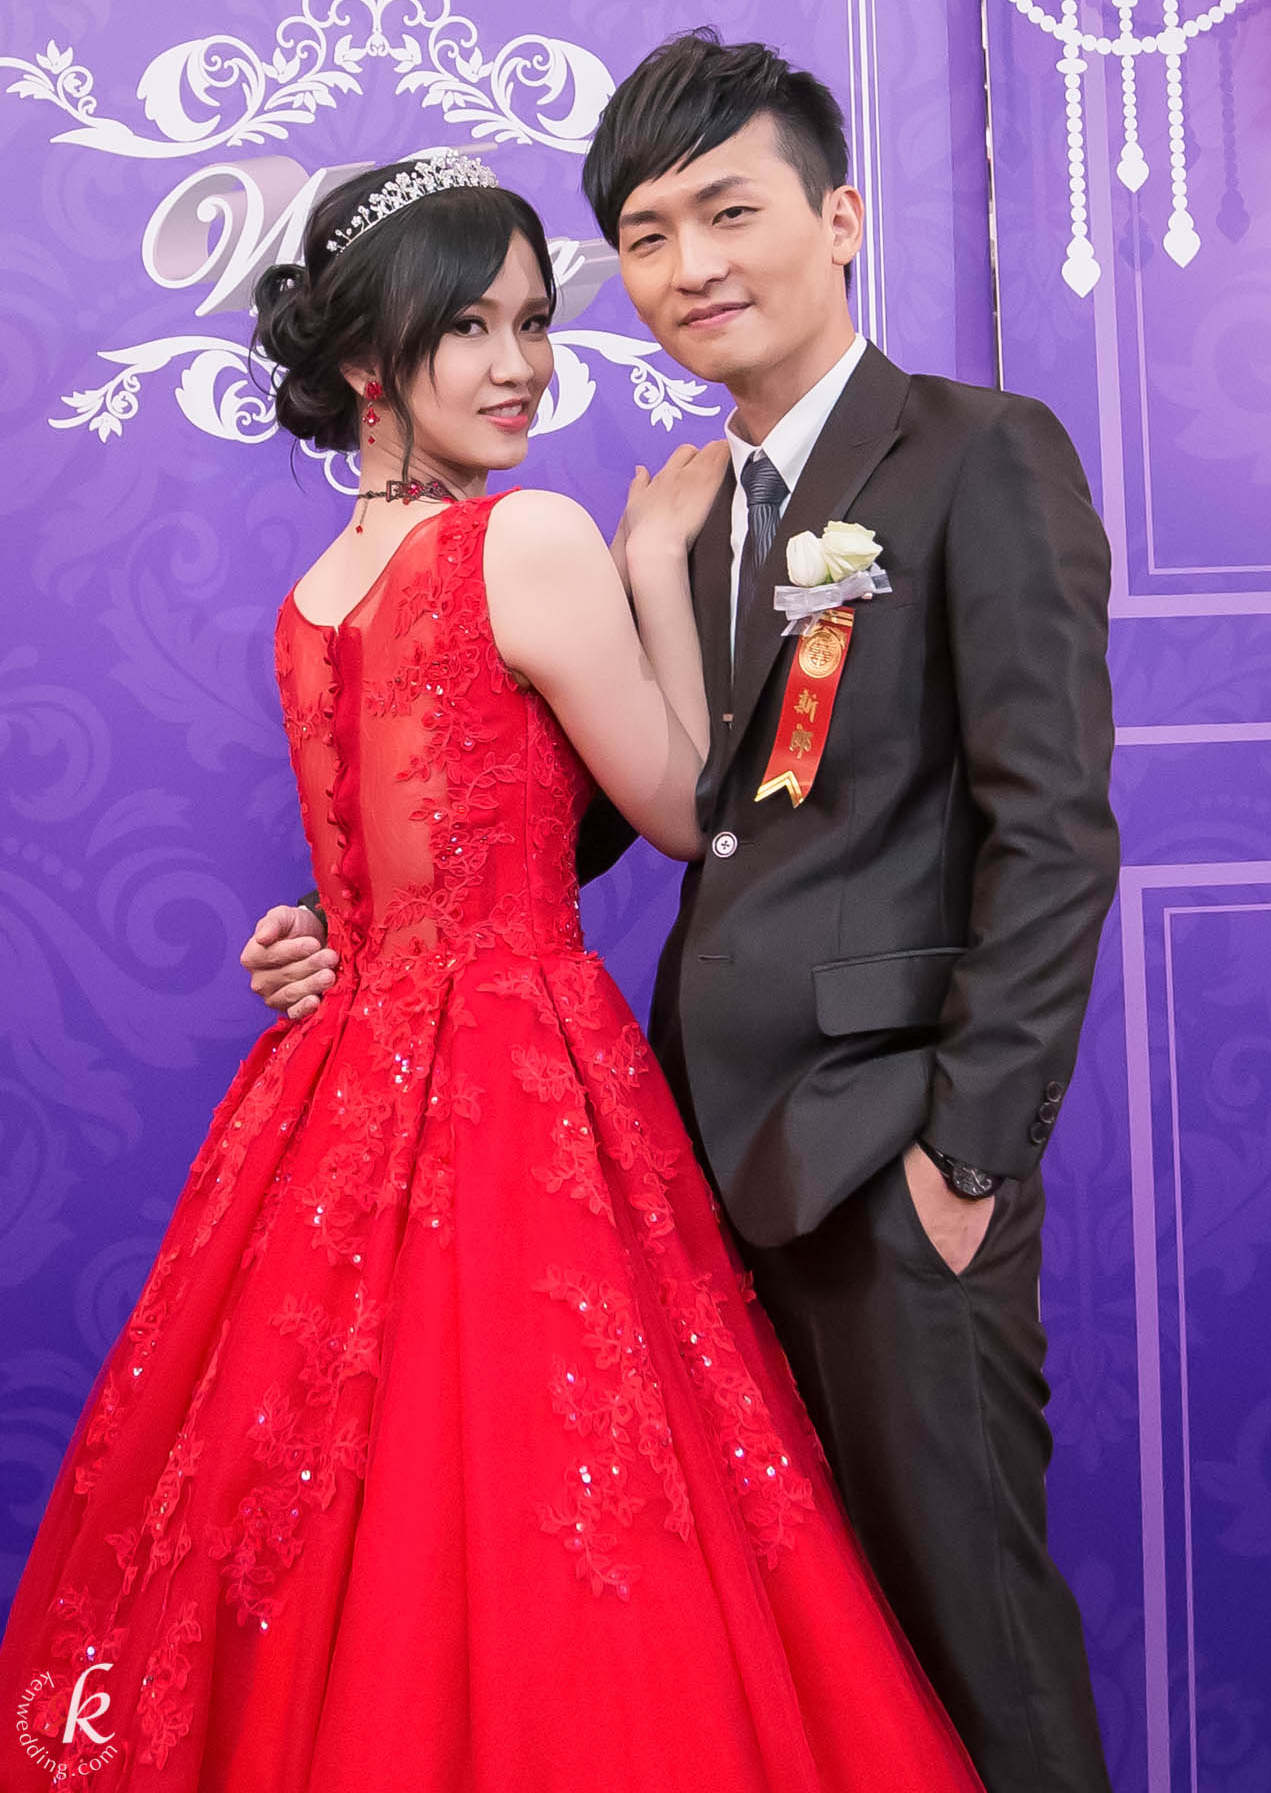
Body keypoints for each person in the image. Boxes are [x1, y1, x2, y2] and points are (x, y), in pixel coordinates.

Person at [0, 150, 984, 1792]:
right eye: (470, 326)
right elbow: (681, 805)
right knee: (560, 1497)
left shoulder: (310, 599)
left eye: (532, 321)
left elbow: (391, 866)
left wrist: (319, 939)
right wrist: (655, 563)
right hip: (516, 1083)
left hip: (336, 1093)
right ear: (366, 358)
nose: (521, 362)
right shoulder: (525, 538)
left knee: (337, 1504)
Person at [250, 36, 1122, 1793]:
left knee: (973, 1652)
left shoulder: (977, 455)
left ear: (839, 219)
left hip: (885, 1160)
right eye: (645, 237)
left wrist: (965, 1160)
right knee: (799, 1688)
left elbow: (1050, 832)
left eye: (729, 213)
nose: (688, 267)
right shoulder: (683, 513)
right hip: (683, 1167)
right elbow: (600, 805)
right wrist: (372, 924)